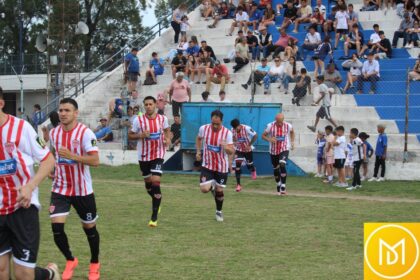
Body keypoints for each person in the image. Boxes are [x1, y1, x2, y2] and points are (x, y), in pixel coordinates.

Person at [0, 89, 59, 280]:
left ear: (1, 104)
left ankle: (50, 274)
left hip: (22, 206)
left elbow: (48, 160)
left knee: (23, 274)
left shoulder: (21, 128)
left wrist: (30, 186)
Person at [49, 98, 101, 280]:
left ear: (76, 113)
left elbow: (95, 161)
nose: (63, 113)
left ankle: (94, 263)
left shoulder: (86, 134)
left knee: (89, 228)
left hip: (82, 190)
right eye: (61, 110)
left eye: (67, 110)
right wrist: (52, 169)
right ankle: (70, 259)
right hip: (60, 189)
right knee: (56, 228)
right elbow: (55, 156)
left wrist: (72, 155)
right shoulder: (54, 133)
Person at [128, 96, 171, 227]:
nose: (148, 106)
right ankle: (156, 199)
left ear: (155, 105)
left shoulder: (162, 119)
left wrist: (167, 139)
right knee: (148, 185)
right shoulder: (138, 120)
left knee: (155, 182)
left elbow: (167, 130)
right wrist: (140, 135)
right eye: (146, 104)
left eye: (150, 104)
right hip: (143, 156)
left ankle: (154, 218)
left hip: (158, 154)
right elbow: (130, 135)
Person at [196, 110, 235, 222]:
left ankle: (219, 211)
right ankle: (211, 187)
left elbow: (231, 151)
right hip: (207, 165)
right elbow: (198, 138)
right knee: (204, 189)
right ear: (211, 120)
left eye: (217, 124)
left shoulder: (227, 133)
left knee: (219, 191)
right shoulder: (204, 129)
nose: (215, 125)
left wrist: (225, 147)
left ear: (222, 121)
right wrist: (198, 151)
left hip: (221, 167)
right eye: (213, 123)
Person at [262, 113, 295, 196]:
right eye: (277, 121)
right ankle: (278, 184)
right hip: (273, 150)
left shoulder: (288, 126)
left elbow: (292, 132)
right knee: (276, 168)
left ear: (283, 120)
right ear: (275, 120)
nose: (279, 123)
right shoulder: (270, 126)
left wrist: (292, 142)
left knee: (282, 164)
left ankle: (283, 186)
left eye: (280, 122)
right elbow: (263, 136)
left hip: (284, 148)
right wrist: (269, 139)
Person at [230, 119, 258, 192]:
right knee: (237, 166)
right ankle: (238, 185)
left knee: (249, 165)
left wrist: (249, 145)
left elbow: (255, 135)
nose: (236, 130)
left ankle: (253, 169)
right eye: (234, 129)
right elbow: (233, 138)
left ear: (239, 125)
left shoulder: (247, 128)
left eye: (237, 128)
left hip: (248, 150)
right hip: (239, 150)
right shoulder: (232, 130)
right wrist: (234, 141)